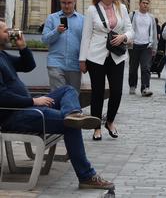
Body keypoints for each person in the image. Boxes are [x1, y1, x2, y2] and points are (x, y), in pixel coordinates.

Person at [0, 21, 115, 190]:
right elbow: (1, 97)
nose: (10, 32)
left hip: (27, 108)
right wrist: (32, 101)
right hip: (14, 115)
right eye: (5, 30)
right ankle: (86, 176)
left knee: (67, 90)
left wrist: (23, 47)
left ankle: (74, 114)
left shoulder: (2, 55)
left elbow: (28, 65)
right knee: (69, 124)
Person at [79, 0, 133, 141]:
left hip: (117, 55)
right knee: (98, 92)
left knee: (117, 91)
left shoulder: (121, 8)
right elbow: (86, 36)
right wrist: (82, 59)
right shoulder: (91, 10)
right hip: (96, 56)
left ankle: (109, 121)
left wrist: (124, 36)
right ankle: (96, 127)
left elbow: (131, 30)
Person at [41, 0, 84, 92]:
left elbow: (86, 42)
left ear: (75, 1)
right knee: (58, 96)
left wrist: (84, 61)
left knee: (73, 96)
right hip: (55, 63)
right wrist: (57, 31)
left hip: (75, 65)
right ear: (60, 2)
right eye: (63, 3)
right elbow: (44, 39)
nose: (67, 6)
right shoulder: (52, 18)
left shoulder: (83, 20)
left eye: (69, 2)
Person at [128, 0, 158, 97]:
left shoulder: (151, 17)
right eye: (143, 3)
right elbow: (127, 28)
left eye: (147, 3)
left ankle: (145, 88)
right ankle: (132, 85)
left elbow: (154, 32)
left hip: (147, 45)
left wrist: (154, 47)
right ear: (139, 4)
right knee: (133, 68)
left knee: (145, 67)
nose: (145, 5)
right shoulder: (133, 15)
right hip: (134, 45)